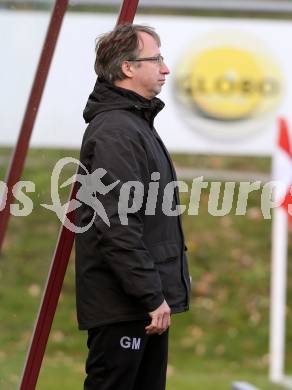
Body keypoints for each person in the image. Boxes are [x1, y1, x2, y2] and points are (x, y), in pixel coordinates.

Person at [75, 23, 190, 390]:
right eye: (156, 58)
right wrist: (150, 295)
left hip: (140, 304)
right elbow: (118, 224)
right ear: (128, 68)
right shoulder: (117, 131)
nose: (165, 68)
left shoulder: (134, 124)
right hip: (127, 306)